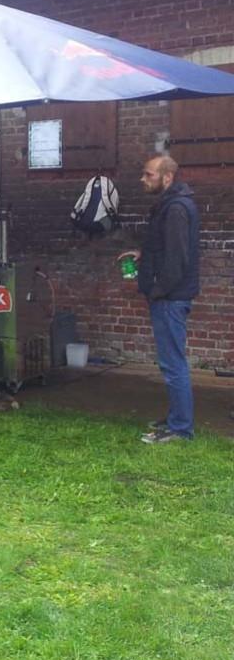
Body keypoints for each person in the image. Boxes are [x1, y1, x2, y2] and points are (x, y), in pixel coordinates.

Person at [116, 155, 199, 444]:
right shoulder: (170, 205)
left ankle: (180, 429)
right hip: (169, 295)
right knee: (171, 361)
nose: (143, 179)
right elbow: (166, 247)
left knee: (172, 363)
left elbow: (177, 259)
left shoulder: (176, 208)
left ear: (167, 178)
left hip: (171, 297)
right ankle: (177, 418)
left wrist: (157, 291)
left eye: (149, 175)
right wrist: (144, 256)